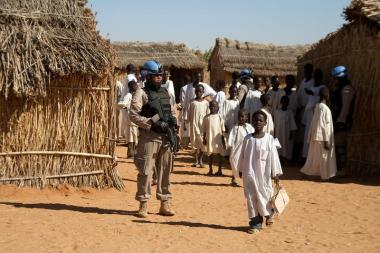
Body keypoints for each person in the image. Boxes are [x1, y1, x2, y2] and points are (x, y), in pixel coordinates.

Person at [129, 60, 177, 218]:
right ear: (148, 77)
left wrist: (173, 124)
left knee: (165, 171)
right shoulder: (140, 93)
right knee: (145, 171)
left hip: (166, 137)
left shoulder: (166, 93)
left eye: (160, 75)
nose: (159, 78)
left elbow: (172, 110)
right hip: (149, 137)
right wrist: (151, 124)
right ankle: (143, 204)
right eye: (156, 76)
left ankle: (165, 203)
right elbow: (133, 115)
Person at [237, 110, 283, 234]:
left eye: (261, 120)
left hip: (264, 174)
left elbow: (274, 157)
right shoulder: (247, 139)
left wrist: (276, 173)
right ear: (252, 122)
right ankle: (255, 223)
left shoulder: (269, 139)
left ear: (265, 123)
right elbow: (242, 156)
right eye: (256, 120)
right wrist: (241, 169)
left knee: (265, 194)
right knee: (251, 197)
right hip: (249, 174)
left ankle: (269, 214)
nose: (258, 122)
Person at [301, 87, 337, 180]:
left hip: (318, 137)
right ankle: (324, 176)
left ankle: (319, 174)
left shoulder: (318, 106)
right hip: (322, 138)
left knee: (317, 157)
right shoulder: (322, 108)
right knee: (323, 157)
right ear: (327, 95)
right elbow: (321, 125)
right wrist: (325, 140)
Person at [330, 66, 355, 176]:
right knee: (337, 146)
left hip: (342, 122)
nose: (334, 81)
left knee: (341, 146)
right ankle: (339, 168)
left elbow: (345, 108)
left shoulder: (347, 89)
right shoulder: (340, 89)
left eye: (336, 78)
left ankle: (343, 169)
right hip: (337, 121)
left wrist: (340, 122)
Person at [227, 109, 255, 186]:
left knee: (246, 165)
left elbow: (253, 137)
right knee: (235, 162)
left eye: (243, 116)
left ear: (247, 117)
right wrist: (231, 148)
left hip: (247, 150)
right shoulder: (235, 128)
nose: (241, 118)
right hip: (237, 150)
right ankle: (234, 178)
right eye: (239, 116)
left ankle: (247, 181)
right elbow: (231, 140)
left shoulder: (250, 127)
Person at [302, 69, 325, 158]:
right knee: (308, 135)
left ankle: (314, 157)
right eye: (315, 77)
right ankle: (306, 156)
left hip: (317, 116)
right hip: (309, 116)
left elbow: (321, 102)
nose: (316, 79)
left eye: (318, 77)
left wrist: (313, 94)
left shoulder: (323, 88)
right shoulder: (312, 88)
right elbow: (309, 104)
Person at [187, 84, 209, 167]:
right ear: (195, 92)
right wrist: (186, 123)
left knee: (202, 143)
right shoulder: (192, 102)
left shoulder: (206, 103)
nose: (199, 93)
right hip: (194, 125)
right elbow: (188, 114)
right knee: (195, 143)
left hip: (202, 126)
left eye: (200, 91)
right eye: (197, 91)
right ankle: (196, 160)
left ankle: (201, 159)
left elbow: (208, 115)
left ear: (203, 92)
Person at [203, 101, 226, 176]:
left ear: (218, 108)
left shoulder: (220, 117)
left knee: (220, 155)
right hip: (209, 139)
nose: (212, 108)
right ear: (209, 107)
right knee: (210, 154)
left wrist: (223, 141)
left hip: (218, 140)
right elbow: (204, 130)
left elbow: (223, 131)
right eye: (211, 106)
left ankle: (220, 170)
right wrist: (204, 138)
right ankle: (210, 170)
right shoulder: (206, 117)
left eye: (214, 106)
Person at [274, 96, 297, 162]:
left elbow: (292, 124)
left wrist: (291, 133)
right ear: (281, 102)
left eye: (286, 102)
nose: (284, 103)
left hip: (287, 133)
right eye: (283, 101)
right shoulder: (277, 112)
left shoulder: (290, 112)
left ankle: (286, 159)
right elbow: (275, 124)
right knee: (279, 146)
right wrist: (274, 133)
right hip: (278, 133)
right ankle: (279, 159)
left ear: (288, 103)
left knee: (287, 146)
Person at [123, 80, 140, 158]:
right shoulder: (128, 96)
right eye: (134, 86)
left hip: (137, 119)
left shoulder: (137, 95)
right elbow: (124, 104)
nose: (136, 87)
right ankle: (131, 153)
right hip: (131, 119)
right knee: (131, 136)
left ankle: (136, 152)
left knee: (136, 135)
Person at [179, 75, 192, 149]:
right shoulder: (192, 88)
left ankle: (185, 144)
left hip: (186, 110)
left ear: (184, 81)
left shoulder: (183, 88)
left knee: (185, 128)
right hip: (192, 109)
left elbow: (183, 101)